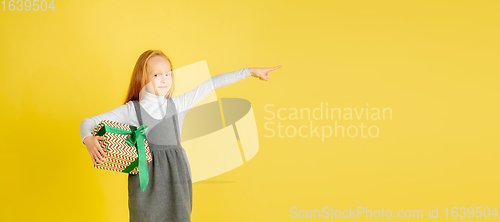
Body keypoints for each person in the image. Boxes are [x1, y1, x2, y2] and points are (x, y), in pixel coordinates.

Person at [79, 49, 281, 221]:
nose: (164, 79)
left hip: (177, 178)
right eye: (157, 75)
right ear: (143, 76)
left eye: (168, 74)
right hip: (146, 183)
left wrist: (250, 71)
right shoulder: (132, 110)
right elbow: (88, 122)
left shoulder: (177, 104)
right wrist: (87, 138)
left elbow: (211, 84)